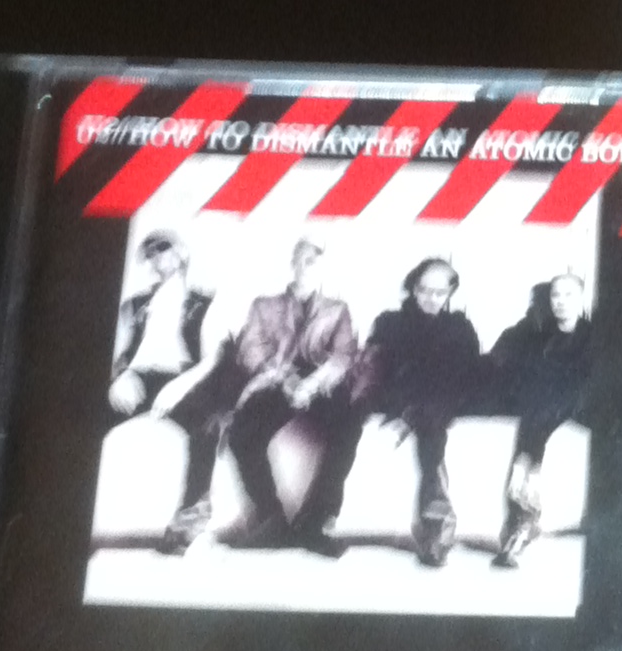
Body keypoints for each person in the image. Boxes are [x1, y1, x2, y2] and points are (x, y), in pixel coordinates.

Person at [332, 258, 486, 567]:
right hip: (398, 398)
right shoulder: (391, 322)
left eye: (439, 293)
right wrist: (402, 407)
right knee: (354, 416)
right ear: (414, 289)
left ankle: (436, 531)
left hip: (438, 403)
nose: (431, 298)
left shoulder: (459, 327)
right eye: (425, 290)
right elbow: (376, 368)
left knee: (433, 428)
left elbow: (465, 375)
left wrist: (419, 408)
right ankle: (323, 516)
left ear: (450, 294)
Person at [221, 236, 359, 552]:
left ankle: (316, 524)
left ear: (325, 268)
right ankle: (272, 521)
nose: (308, 267)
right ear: (292, 263)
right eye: (303, 259)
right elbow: (250, 349)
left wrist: (312, 383)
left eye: (315, 261)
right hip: (275, 381)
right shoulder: (263, 305)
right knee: (243, 432)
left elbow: (343, 355)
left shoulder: (338, 309)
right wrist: (286, 379)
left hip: (320, 386)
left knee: (349, 427)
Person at [106, 231, 224, 556]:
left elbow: (212, 357)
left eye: (163, 248)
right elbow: (117, 352)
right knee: (88, 415)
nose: (157, 256)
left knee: (209, 424)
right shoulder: (135, 305)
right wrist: (119, 377)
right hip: (137, 378)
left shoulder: (203, 302)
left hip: (183, 378)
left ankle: (186, 528)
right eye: (150, 252)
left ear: (181, 253)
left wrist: (177, 388)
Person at [486, 270, 593, 568]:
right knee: (535, 412)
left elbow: (589, 382)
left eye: (568, 295)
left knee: (541, 410)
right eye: (555, 295)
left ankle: (525, 476)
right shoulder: (540, 333)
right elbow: (504, 354)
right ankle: (520, 522)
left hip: (585, 405)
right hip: (546, 409)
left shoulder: (593, 334)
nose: (560, 301)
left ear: (581, 298)